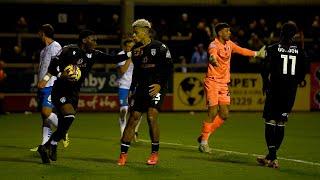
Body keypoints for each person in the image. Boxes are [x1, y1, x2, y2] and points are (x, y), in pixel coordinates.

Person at [37, 29, 131, 164]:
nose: (95, 42)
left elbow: (113, 59)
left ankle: (47, 146)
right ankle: (50, 144)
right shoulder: (69, 50)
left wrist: (131, 53)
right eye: (93, 39)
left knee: (64, 124)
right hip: (60, 90)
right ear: (84, 40)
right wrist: (47, 79)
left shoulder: (94, 54)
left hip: (74, 93)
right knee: (69, 116)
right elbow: (53, 67)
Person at [197, 23, 266, 153]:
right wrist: (212, 59)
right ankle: (204, 143)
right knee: (212, 112)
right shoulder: (213, 44)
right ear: (219, 33)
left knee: (224, 114)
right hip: (212, 81)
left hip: (224, 83)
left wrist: (257, 54)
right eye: (227, 31)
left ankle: (204, 135)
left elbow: (242, 50)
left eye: (229, 31)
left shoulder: (230, 44)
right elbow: (212, 55)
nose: (229, 33)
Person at [117, 19, 173, 166]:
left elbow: (168, 69)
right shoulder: (135, 50)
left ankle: (154, 153)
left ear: (145, 31)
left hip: (156, 87)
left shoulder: (160, 47)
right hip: (141, 87)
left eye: (136, 32)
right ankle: (123, 154)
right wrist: (131, 89)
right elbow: (136, 71)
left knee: (151, 116)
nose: (133, 35)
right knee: (133, 118)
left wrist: (160, 85)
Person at [257, 22, 306, 168]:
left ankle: (273, 157)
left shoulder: (272, 48)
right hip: (290, 92)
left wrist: (265, 82)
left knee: (270, 121)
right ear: (294, 35)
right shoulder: (300, 50)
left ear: (281, 33)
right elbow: (303, 72)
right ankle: (270, 157)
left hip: (275, 89)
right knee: (281, 122)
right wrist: (294, 82)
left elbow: (264, 67)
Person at [30, 24, 70, 152]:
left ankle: (63, 130)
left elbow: (56, 66)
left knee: (46, 112)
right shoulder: (43, 50)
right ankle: (44, 145)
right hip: (43, 87)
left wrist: (45, 80)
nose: (38, 35)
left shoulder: (56, 46)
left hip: (51, 85)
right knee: (45, 118)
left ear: (43, 33)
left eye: (39, 32)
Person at [116, 38, 142, 140]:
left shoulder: (138, 55)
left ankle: (134, 131)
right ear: (125, 47)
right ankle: (123, 133)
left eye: (132, 47)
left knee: (138, 110)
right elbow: (122, 70)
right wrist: (129, 58)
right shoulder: (120, 55)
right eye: (129, 47)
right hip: (124, 86)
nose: (131, 48)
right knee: (124, 109)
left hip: (136, 86)